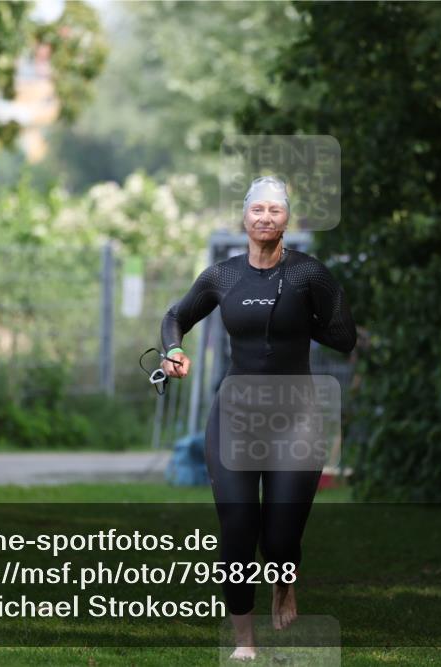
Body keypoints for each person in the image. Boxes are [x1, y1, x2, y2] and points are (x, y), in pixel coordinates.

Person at [159, 176, 357, 661]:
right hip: (236, 416)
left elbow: (344, 337)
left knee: (282, 537)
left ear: (287, 218)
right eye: (257, 210)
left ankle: (284, 582)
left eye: (275, 210)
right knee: (239, 526)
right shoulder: (221, 278)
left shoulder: (311, 275)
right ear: (244, 217)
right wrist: (173, 351)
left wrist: (298, 317)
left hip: (297, 418)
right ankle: (245, 640)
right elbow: (175, 317)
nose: (265, 218)